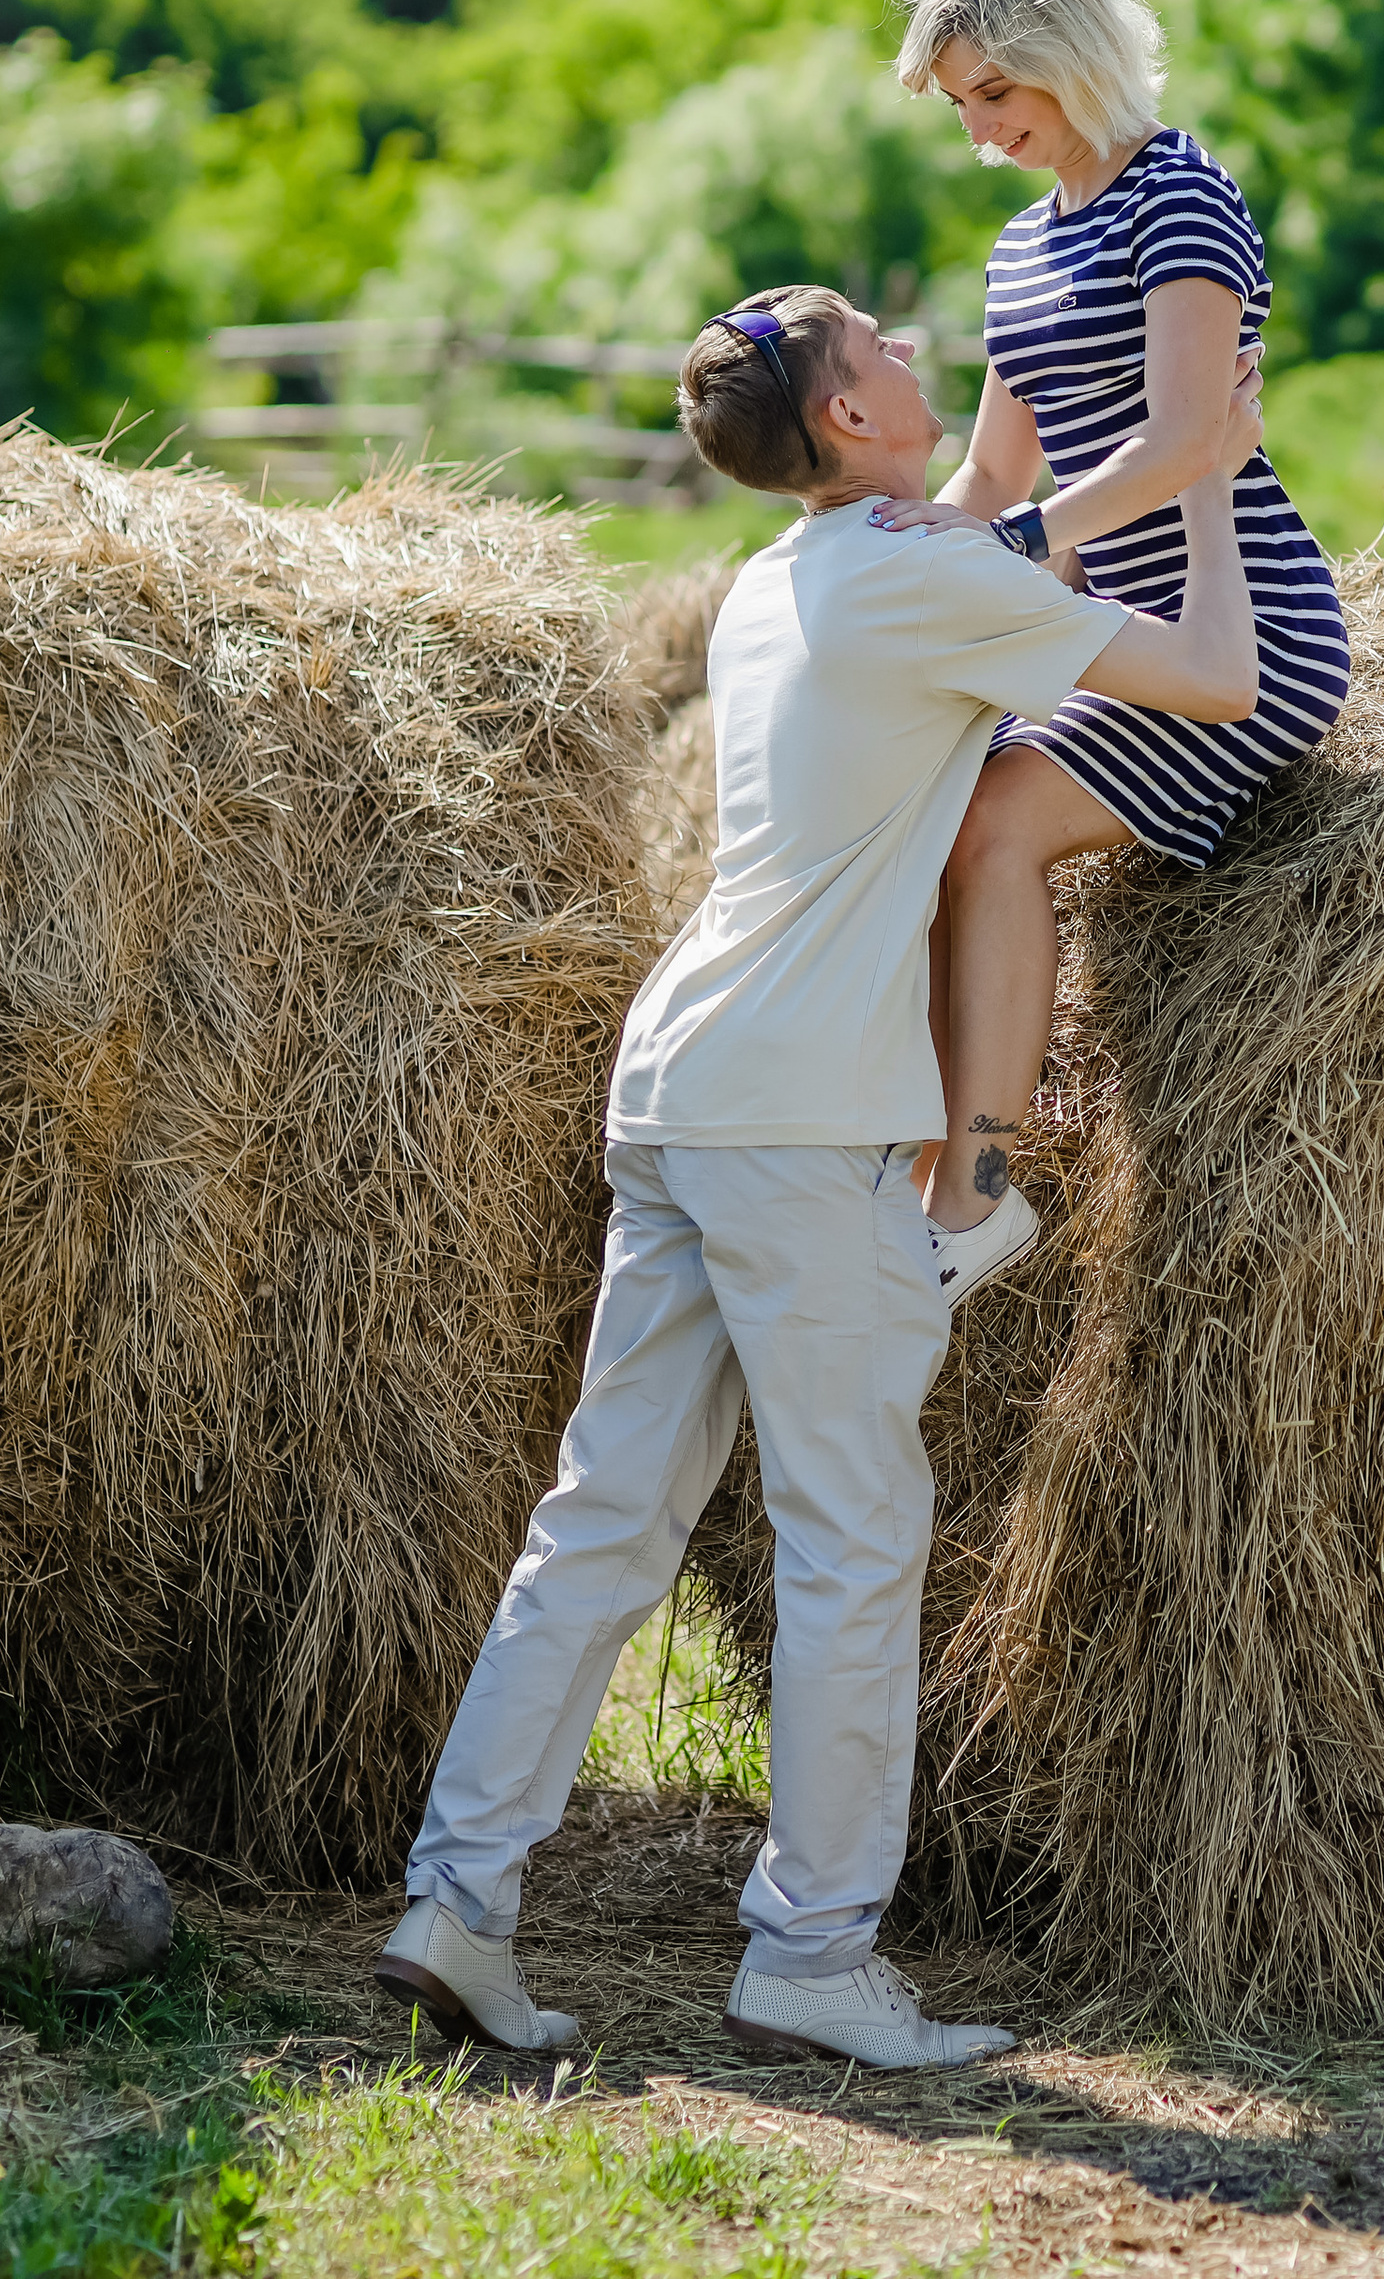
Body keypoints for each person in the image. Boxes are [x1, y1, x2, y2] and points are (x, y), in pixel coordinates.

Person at [375, 283, 1266, 2068]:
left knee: (602, 1522)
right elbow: (1223, 685)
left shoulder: (788, 579)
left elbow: (992, 573)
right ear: (850, 422)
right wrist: (1216, 479)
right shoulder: (920, 580)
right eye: (886, 344)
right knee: (855, 1544)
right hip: (795, 1128)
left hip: (681, 1087)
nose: (920, 355)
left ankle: (457, 1900)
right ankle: (813, 1949)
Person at [875, 0, 1352, 1304]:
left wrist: (1019, 545)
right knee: (919, 810)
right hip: (1098, 633)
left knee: (994, 822)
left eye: (994, 94)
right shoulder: (1022, 248)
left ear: (1061, 54)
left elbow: (1184, 439)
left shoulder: (1179, 194)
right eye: (963, 105)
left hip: (1237, 624)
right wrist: (895, 559)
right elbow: (989, 466)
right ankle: (905, 1160)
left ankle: (974, 1200)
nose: (979, 130)